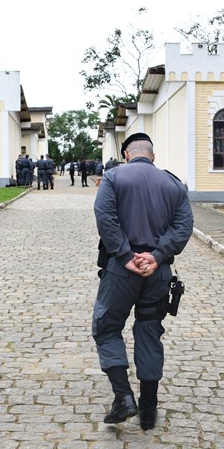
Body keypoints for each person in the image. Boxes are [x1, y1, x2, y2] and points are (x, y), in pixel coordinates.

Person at [93, 132, 194, 430]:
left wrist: (125, 256)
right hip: (157, 272)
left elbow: (105, 217)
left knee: (107, 327)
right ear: (153, 156)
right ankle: (149, 410)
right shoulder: (174, 183)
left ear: (126, 154)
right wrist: (158, 255)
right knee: (150, 332)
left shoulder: (113, 178)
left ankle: (123, 397)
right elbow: (184, 225)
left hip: (120, 272)